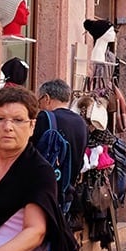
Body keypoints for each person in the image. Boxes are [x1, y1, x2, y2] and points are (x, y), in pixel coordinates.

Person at [0, 86, 78, 251]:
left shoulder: (39, 171)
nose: (7, 127)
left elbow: (35, 230)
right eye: (0, 119)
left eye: (18, 120)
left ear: (32, 126)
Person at [31, 79, 89, 210]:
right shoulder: (81, 123)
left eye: (38, 101)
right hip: (67, 192)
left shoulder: (45, 118)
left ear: (46, 98)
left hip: (43, 192)